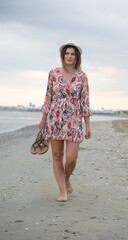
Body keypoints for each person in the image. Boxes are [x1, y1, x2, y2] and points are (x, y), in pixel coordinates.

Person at [39, 43, 92, 202]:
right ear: (63, 56)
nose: (69, 56)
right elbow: (48, 97)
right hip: (55, 118)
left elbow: (85, 101)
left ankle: (67, 178)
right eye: (66, 53)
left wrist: (88, 125)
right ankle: (62, 192)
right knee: (57, 156)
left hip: (74, 120)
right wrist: (43, 120)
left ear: (77, 57)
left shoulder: (82, 76)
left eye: (73, 54)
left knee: (71, 158)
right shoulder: (53, 73)